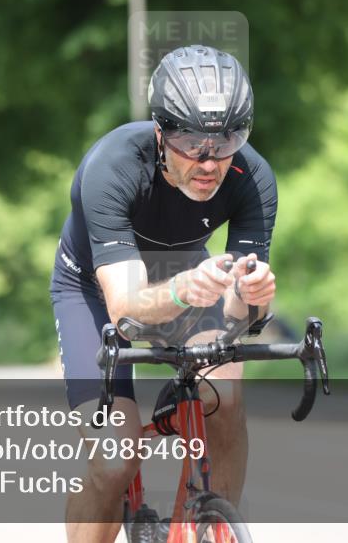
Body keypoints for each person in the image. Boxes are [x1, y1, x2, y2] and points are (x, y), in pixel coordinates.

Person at [50, 45, 277, 543]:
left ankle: (204, 526)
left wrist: (254, 295)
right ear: (160, 131)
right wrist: (181, 290)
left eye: (227, 139)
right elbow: (126, 309)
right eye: (191, 141)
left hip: (189, 283)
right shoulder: (112, 165)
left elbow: (244, 314)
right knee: (114, 460)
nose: (209, 161)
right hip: (95, 291)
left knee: (227, 395)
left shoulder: (252, 178)